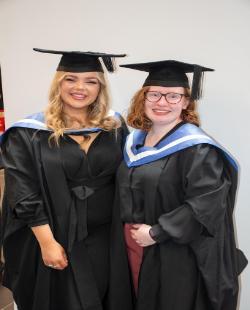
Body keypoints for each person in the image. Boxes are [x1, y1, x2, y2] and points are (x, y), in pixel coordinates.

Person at [0, 48, 133, 310]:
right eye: (70, 79)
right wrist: (47, 243)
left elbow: (128, 176)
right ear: (58, 83)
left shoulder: (114, 126)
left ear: (100, 87)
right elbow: (23, 193)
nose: (80, 87)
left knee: (106, 296)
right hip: (55, 235)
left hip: (106, 237)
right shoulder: (27, 132)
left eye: (91, 81)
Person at [113, 60, 248, 310]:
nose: (162, 102)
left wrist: (157, 233)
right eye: (154, 94)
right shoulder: (135, 142)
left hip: (173, 252)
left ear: (186, 102)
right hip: (132, 248)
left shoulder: (198, 149)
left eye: (173, 96)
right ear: (143, 98)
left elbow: (207, 204)